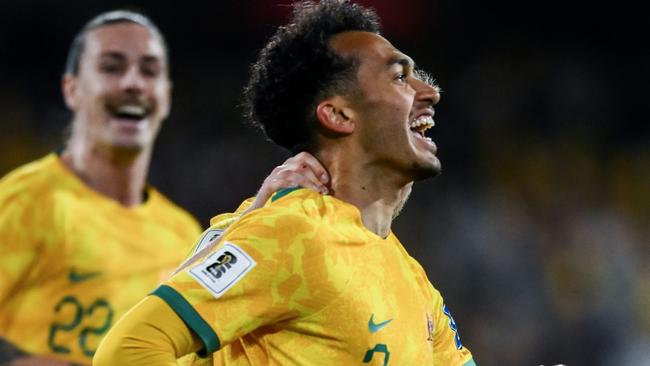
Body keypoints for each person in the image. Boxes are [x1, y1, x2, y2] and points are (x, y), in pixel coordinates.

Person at [94, 1, 476, 365]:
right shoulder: (293, 233)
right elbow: (130, 349)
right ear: (339, 114)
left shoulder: (414, 282)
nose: (430, 92)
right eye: (398, 77)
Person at [0, 10, 328, 366]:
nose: (133, 83)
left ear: (166, 96)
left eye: (149, 70)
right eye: (111, 67)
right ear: (72, 88)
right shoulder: (22, 202)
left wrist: (257, 216)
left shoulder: (180, 230)